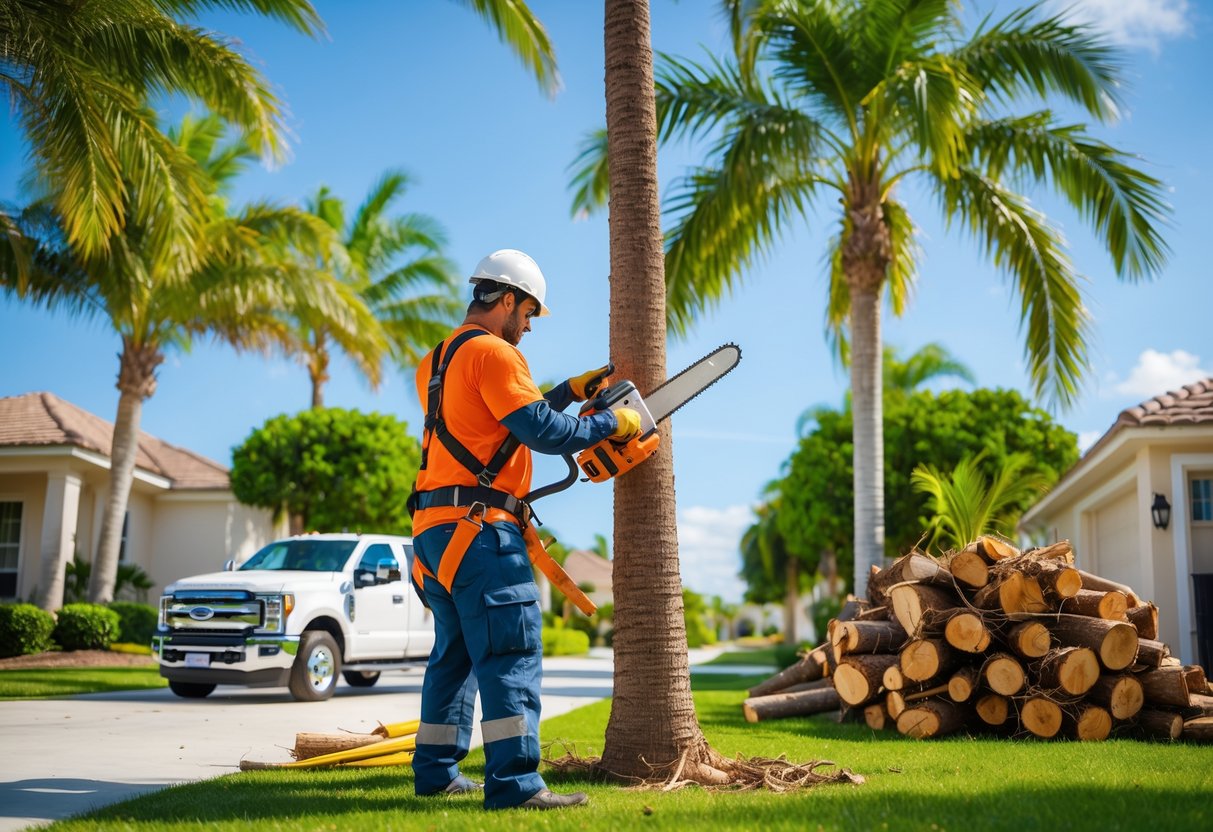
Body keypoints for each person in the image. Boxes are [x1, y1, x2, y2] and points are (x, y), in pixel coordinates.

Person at [408, 249, 640, 811]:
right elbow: (539, 431)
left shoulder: (437, 360)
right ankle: (515, 786)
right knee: (512, 650)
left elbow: (498, 425)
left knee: (455, 655)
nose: (529, 326)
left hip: (434, 534)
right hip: (483, 532)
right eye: (530, 312)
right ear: (507, 300)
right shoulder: (496, 353)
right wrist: (613, 420)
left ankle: (436, 772)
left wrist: (566, 391)